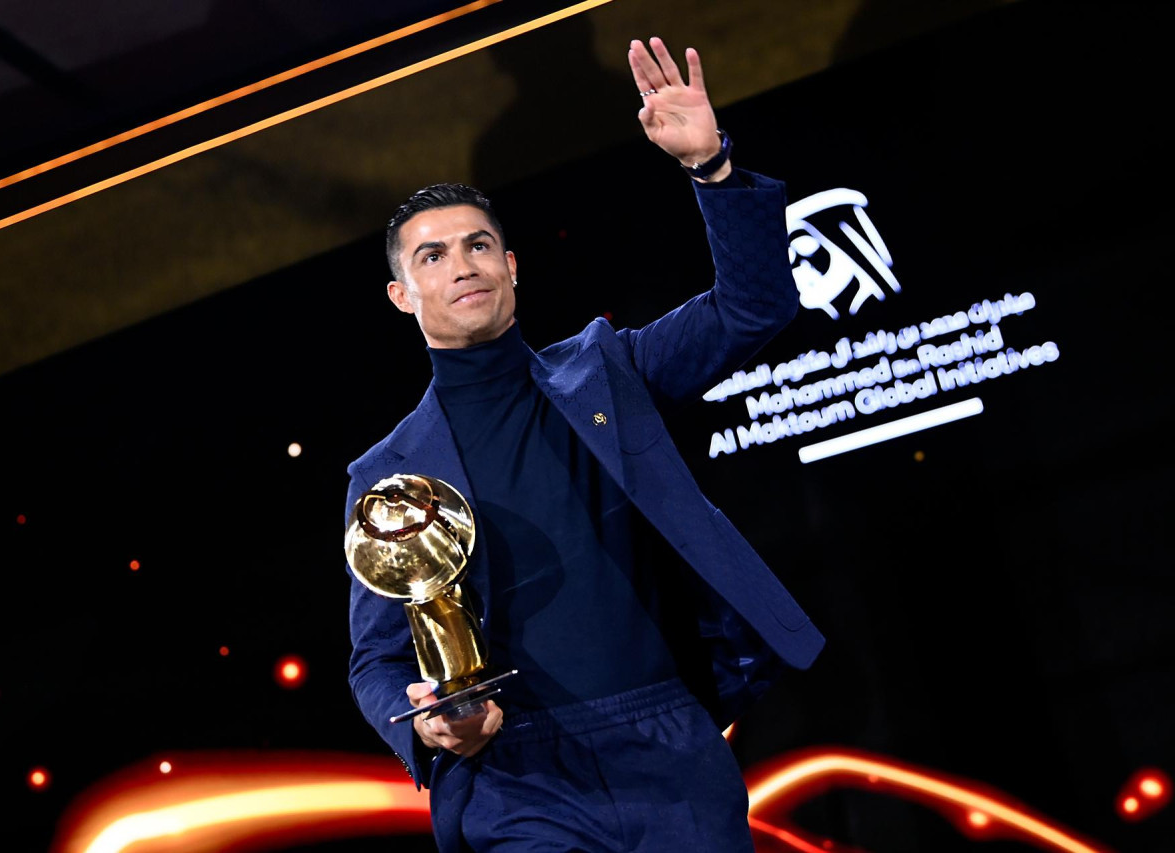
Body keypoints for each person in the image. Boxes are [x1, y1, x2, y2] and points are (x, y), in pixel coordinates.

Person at [344, 37, 824, 852]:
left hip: (667, 743)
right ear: (401, 294)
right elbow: (375, 660)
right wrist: (427, 725)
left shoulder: (607, 367)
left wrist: (711, 167)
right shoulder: (387, 473)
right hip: (517, 777)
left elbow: (753, 308)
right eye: (433, 254)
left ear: (513, 266)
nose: (463, 264)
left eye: (479, 244)